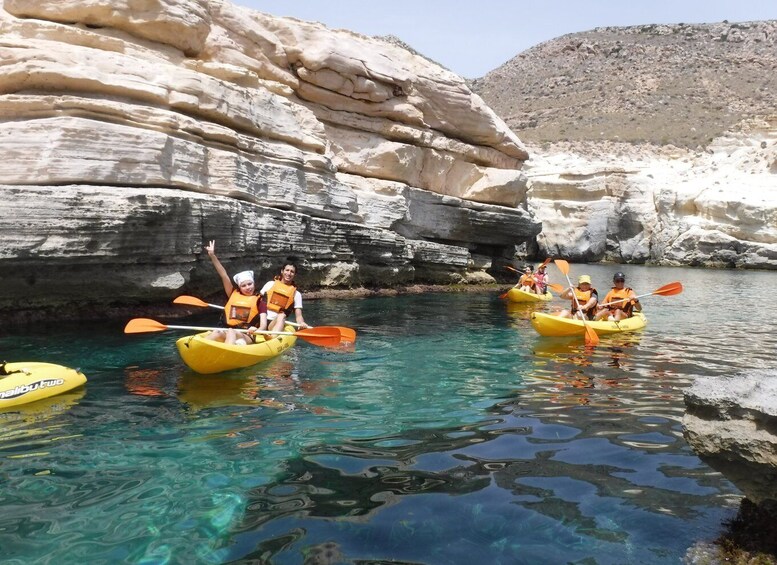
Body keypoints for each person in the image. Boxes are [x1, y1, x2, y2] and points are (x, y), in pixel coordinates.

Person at [203, 240, 267, 345]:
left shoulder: (260, 302)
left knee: (231, 332)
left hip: (247, 336)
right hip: (228, 332)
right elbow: (224, 275)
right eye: (244, 285)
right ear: (239, 287)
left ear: (254, 284)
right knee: (217, 332)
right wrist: (212, 255)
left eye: (250, 284)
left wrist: (256, 329)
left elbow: (263, 325)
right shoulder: (232, 293)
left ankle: (226, 353)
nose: (248, 287)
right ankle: (201, 347)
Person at [260, 262, 310, 333]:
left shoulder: (296, 294)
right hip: (262, 319)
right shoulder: (270, 284)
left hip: (275, 323)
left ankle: (273, 337)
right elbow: (257, 302)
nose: (289, 273)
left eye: (292, 272)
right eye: (287, 270)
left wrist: (301, 323)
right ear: (282, 271)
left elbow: (298, 316)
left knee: (282, 315)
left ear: (295, 275)